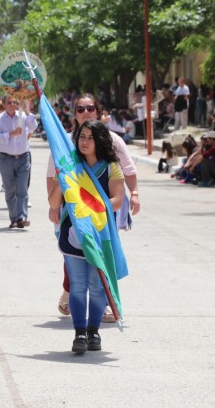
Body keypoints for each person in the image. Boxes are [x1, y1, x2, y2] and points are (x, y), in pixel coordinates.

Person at [47, 93, 141, 320]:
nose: (86, 112)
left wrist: (135, 194)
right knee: (73, 257)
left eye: (90, 108)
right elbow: (53, 177)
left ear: (98, 111)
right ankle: (72, 296)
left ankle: (106, 304)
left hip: (102, 217)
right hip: (72, 216)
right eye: (80, 108)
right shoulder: (64, 143)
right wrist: (54, 206)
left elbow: (127, 172)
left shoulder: (113, 144)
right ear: (74, 113)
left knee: (101, 258)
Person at [48, 120, 125, 354]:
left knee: (98, 286)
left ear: (100, 141)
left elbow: (117, 200)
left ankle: (94, 331)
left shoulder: (111, 166)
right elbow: (54, 202)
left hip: (100, 235)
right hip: (73, 235)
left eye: (91, 138)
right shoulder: (70, 165)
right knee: (78, 285)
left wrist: (91, 208)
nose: (85, 142)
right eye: (82, 137)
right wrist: (62, 177)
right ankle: (79, 332)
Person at [0, 95, 37, 228]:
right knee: (10, 191)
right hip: (6, 158)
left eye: (15, 102)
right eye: (9, 102)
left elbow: (33, 126)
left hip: (23, 157)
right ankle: (14, 218)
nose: (12, 104)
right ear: (4, 104)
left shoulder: (22, 116)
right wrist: (11, 134)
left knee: (22, 188)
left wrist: (26, 110)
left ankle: (22, 217)